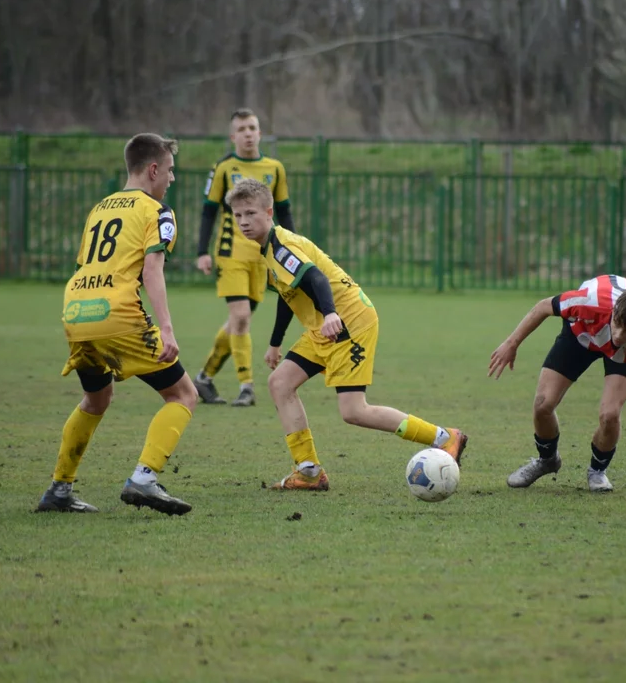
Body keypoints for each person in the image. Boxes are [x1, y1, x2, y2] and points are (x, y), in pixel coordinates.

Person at [226, 178, 467, 490]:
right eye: (238, 216)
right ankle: (308, 471)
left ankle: (445, 437)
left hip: (349, 321)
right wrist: (275, 344)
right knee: (280, 383)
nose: (244, 222)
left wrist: (329, 314)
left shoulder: (282, 247)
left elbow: (316, 279)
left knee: (354, 411)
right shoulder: (269, 249)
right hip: (324, 327)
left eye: (250, 214)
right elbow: (288, 293)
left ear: (269, 211)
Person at [36, 133, 197, 515]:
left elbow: (83, 266)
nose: (172, 179)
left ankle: (59, 488)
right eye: (170, 171)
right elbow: (152, 268)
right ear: (153, 169)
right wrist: (167, 329)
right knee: (184, 395)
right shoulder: (157, 211)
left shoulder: (100, 208)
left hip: (77, 312)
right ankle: (144, 478)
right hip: (118, 314)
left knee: (97, 398)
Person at [489, 274, 626, 498]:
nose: (619, 335)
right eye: (618, 324)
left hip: (623, 355)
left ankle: (597, 471)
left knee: (610, 415)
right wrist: (512, 343)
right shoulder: (589, 303)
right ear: (615, 312)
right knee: (542, 404)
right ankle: (547, 460)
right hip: (582, 334)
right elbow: (543, 307)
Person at [193, 108, 295, 408]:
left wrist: (292, 247)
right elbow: (208, 210)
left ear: (260, 133)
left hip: (262, 255)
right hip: (230, 253)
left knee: (239, 321)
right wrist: (201, 251)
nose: (248, 133)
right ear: (233, 136)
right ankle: (246, 386)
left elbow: (284, 210)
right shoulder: (224, 167)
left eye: (253, 127)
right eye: (242, 129)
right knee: (240, 317)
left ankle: (204, 377)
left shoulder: (274, 167)